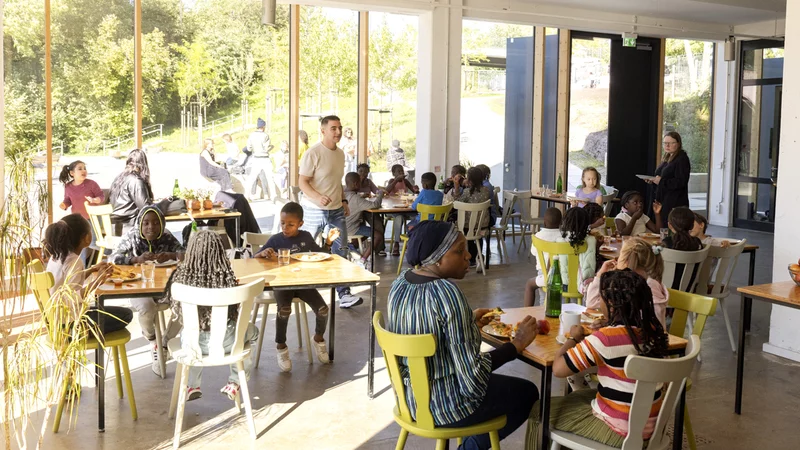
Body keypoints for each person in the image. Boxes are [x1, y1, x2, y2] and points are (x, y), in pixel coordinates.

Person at [389, 220, 540, 450]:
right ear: (437, 258)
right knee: (527, 392)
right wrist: (515, 346)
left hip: (410, 399)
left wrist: (467, 321)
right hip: (446, 406)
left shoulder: (400, 282)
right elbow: (473, 377)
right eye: (459, 251)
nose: (468, 255)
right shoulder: (448, 294)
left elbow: (427, 328)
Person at [525, 270, 668, 450]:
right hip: (652, 426)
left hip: (619, 431)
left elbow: (559, 370)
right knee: (577, 397)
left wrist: (574, 338)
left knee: (540, 409)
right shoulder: (654, 331)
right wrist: (610, 326)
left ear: (611, 304)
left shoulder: (606, 339)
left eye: (600, 298)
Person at [163, 230, 259, 401]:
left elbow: (170, 304)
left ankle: (192, 385)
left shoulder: (180, 278)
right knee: (251, 332)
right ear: (220, 253)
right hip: (228, 342)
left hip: (193, 345)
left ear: (190, 252)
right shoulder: (226, 278)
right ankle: (235, 382)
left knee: (190, 335)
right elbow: (234, 313)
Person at [253, 203, 332, 372]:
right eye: (282, 223)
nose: (285, 228)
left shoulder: (306, 237)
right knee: (284, 310)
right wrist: (263, 253)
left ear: (300, 224)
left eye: (290, 224)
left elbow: (322, 254)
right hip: (282, 283)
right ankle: (281, 346)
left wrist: (329, 242)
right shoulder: (276, 239)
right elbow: (255, 258)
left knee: (323, 309)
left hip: (303, 282)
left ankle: (318, 338)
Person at [110, 205, 184, 374]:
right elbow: (114, 258)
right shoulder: (132, 237)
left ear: (162, 224)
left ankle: (164, 343)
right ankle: (152, 339)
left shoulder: (167, 237)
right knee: (146, 307)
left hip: (166, 287)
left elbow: (184, 253)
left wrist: (171, 255)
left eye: (156, 223)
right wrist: (135, 259)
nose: (151, 227)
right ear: (140, 224)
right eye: (146, 223)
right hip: (137, 286)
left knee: (184, 306)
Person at [298, 115, 363, 308]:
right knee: (304, 251)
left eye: (340, 128)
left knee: (341, 250)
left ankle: (344, 295)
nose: (338, 132)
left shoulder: (341, 154)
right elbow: (302, 182)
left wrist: (343, 200)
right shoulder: (313, 153)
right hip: (313, 210)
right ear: (323, 131)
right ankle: (298, 289)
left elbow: (337, 182)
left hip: (335, 210)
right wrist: (317, 197)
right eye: (333, 128)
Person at [44, 214, 132, 334]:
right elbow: (71, 298)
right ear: (86, 238)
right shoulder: (74, 261)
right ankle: (87, 335)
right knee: (126, 314)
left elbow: (67, 282)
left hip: (58, 321)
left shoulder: (57, 256)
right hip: (72, 325)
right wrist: (97, 281)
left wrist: (91, 269)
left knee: (108, 311)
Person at [585, 237, 668, 329]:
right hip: (629, 335)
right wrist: (600, 275)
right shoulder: (625, 284)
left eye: (619, 257)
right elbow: (592, 303)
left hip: (643, 340)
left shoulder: (650, 286)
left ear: (626, 262)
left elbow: (655, 325)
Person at [646, 131, 691, 222]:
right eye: (665, 143)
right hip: (662, 199)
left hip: (674, 201)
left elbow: (681, 181)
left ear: (678, 144)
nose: (667, 146)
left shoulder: (682, 159)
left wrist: (661, 181)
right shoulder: (666, 158)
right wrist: (653, 181)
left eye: (671, 143)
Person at [524, 207, 563, 307]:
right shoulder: (563, 236)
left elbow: (533, 252)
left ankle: (531, 313)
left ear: (544, 222)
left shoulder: (538, 236)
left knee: (543, 296)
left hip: (544, 274)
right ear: (561, 223)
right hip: (563, 275)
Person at [454, 167, 493, 267]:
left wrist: (457, 187)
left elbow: (457, 202)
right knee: (477, 233)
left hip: (467, 227)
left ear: (469, 179)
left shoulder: (467, 192)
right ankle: (479, 256)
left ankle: (472, 257)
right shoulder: (486, 190)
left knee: (469, 230)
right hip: (483, 225)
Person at [343, 173, 384, 267]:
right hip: (352, 229)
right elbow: (375, 205)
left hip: (341, 227)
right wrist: (380, 195)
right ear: (355, 184)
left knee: (366, 231)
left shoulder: (342, 195)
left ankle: (351, 246)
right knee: (378, 235)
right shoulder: (356, 199)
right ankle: (362, 260)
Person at [109, 149, 154, 235]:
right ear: (143, 163)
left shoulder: (119, 177)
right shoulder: (136, 180)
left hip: (113, 227)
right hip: (128, 227)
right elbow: (146, 208)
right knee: (164, 234)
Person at [556, 207, 596, 289]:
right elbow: (590, 268)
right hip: (583, 285)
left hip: (560, 283)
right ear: (586, 224)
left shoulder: (559, 240)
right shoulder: (591, 240)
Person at [245, 118, 275, 201]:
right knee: (270, 178)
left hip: (256, 158)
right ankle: (273, 196)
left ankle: (246, 195)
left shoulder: (251, 135)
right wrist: (272, 147)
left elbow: (249, 148)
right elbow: (266, 148)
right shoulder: (265, 135)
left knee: (252, 178)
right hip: (265, 158)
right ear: (263, 126)